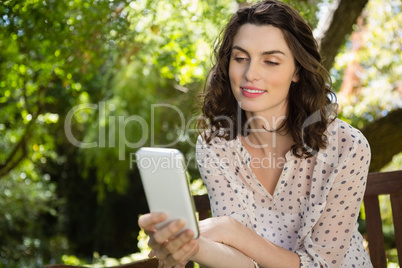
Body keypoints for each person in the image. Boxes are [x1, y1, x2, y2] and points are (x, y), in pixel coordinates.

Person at [138, 0, 373, 267]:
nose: (250, 74)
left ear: (297, 70)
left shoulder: (347, 146)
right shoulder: (216, 145)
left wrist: (231, 231)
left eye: (271, 61)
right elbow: (244, 263)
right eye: (240, 58)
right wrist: (193, 247)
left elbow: (322, 264)